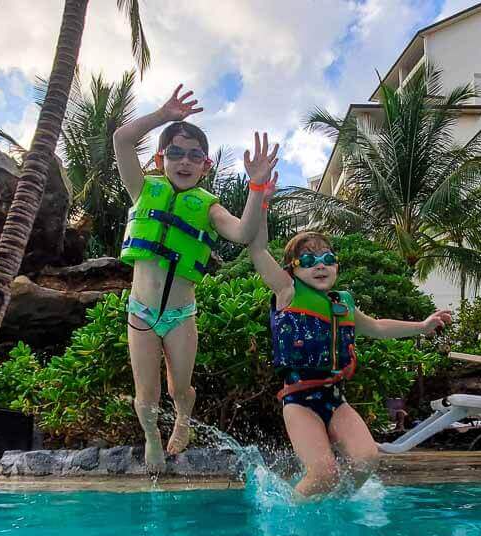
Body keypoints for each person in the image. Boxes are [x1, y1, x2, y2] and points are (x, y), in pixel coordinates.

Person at [113, 84, 278, 473]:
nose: (184, 162)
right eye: (175, 153)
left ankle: (183, 417)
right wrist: (164, 115)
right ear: (160, 159)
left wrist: (257, 188)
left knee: (179, 388)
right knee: (146, 397)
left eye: (194, 156)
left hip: (180, 316)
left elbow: (243, 233)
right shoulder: (142, 189)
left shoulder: (209, 207)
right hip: (141, 312)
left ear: (206, 166)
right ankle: (153, 438)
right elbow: (121, 139)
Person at [247, 214, 453, 498]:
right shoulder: (288, 293)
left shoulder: (341, 304)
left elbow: (377, 327)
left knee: (366, 460)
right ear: (292, 270)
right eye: (307, 261)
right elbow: (257, 250)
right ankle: (292, 514)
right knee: (322, 472)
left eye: (327, 259)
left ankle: (334, 505)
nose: (319, 265)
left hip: (335, 398)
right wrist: (261, 198)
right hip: (299, 401)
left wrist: (422, 326)